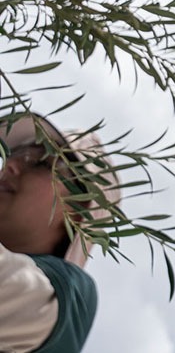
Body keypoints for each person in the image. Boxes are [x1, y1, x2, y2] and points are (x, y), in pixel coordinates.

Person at [0, 113, 118, 353]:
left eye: (40, 161)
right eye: (14, 155)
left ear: (77, 209)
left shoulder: (68, 295)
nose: (9, 165)